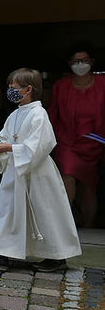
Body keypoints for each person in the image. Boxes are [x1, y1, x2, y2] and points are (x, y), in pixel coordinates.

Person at [0, 68, 82, 272]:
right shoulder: (15, 115)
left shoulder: (39, 115)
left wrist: (9, 148)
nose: (10, 91)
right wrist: (0, 147)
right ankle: (2, 253)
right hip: (15, 172)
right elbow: (6, 136)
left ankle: (56, 257)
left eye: (13, 87)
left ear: (28, 89)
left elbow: (40, 145)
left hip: (38, 173)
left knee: (44, 212)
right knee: (8, 211)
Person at [48, 47, 105, 228]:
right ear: (69, 64)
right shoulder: (61, 86)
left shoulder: (103, 84)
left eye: (84, 60)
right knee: (68, 174)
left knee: (89, 187)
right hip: (68, 142)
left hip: (97, 143)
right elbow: (52, 114)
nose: (80, 65)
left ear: (92, 61)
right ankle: (64, 226)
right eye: (75, 61)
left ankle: (88, 228)